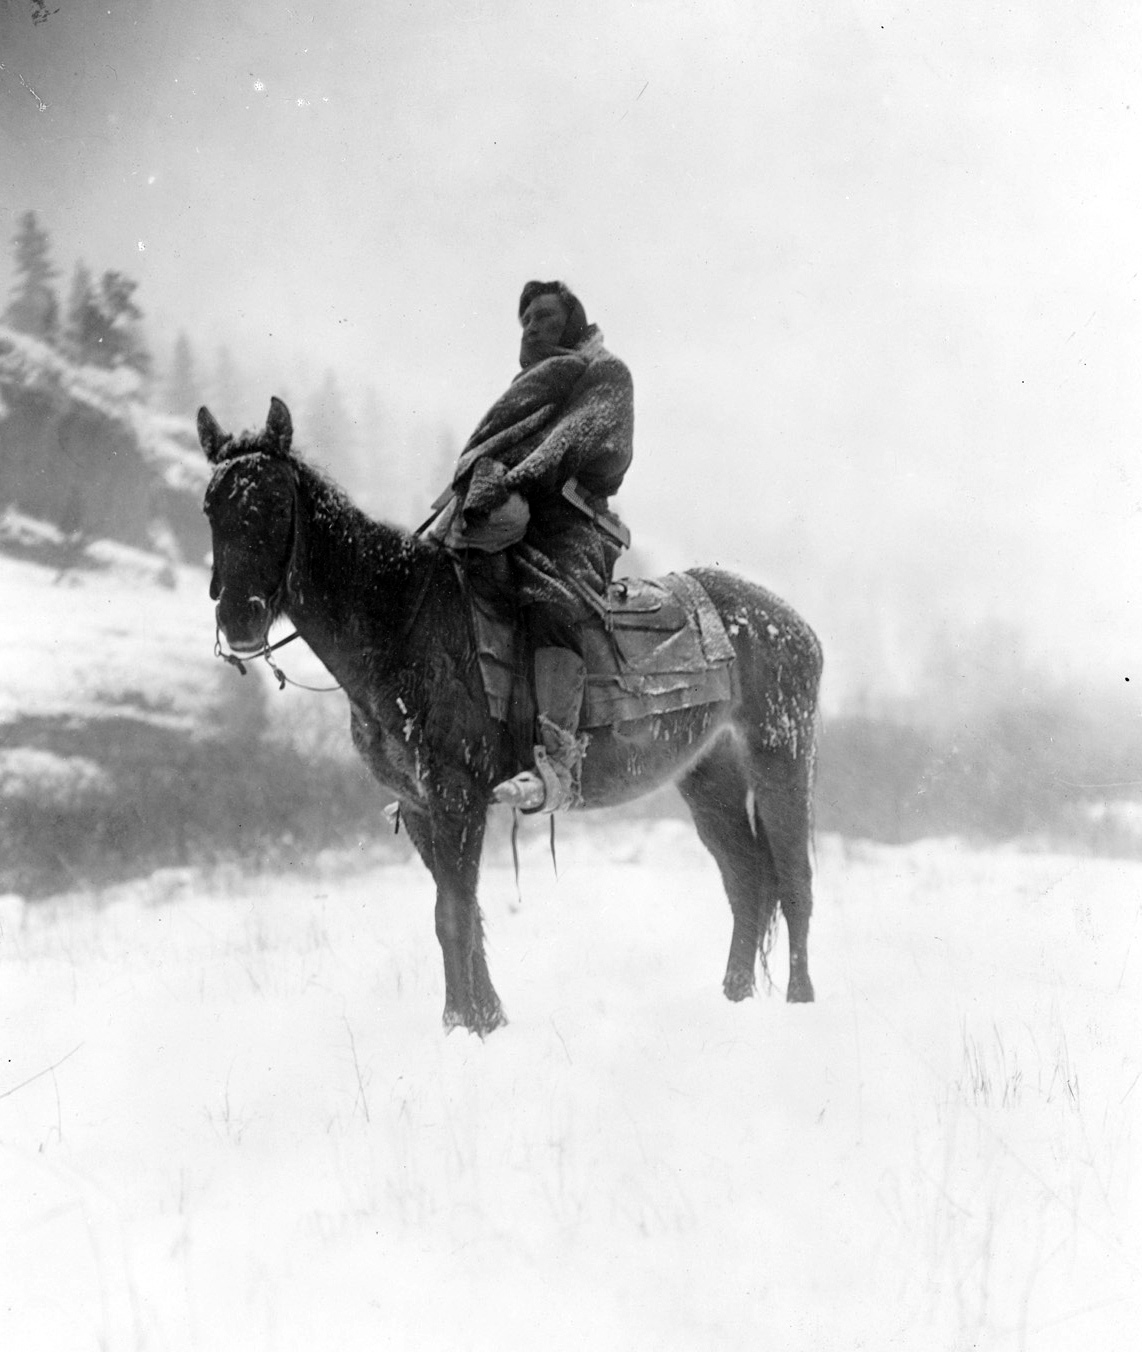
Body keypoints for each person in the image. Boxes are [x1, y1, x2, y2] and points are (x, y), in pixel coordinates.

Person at [423, 280, 634, 811]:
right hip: (509, 518)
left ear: (572, 318)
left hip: (569, 524)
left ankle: (558, 761)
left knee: (551, 603)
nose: (533, 326)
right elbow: (491, 448)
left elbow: (588, 442)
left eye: (544, 315)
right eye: (526, 320)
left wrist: (514, 479)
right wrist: (486, 484)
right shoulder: (528, 385)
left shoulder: (606, 372)